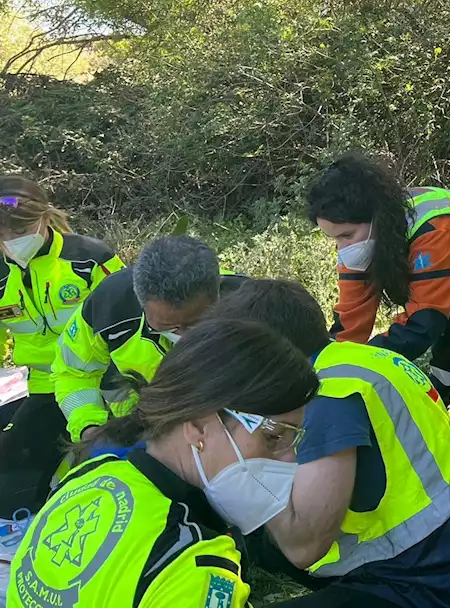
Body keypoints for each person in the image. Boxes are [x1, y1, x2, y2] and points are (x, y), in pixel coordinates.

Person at [207, 278, 450, 608]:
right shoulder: (362, 360)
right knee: (262, 541)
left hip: (436, 586)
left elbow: (303, 548)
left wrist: (249, 466)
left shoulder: (327, 396)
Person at [5, 318, 319, 608]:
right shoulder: (196, 565)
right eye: (274, 437)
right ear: (197, 425)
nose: (290, 458)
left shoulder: (89, 477)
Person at [306, 154, 450, 470]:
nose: (342, 248)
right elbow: (349, 323)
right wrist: (318, 372)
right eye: (333, 238)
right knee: (442, 364)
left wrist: (358, 366)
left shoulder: (437, 224)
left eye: (346, 236)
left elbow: (422, 325)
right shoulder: (365, 237)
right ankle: (436, 431)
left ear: (376, 219)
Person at [0, 176, 125, 514]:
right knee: (11, 481)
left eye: (21, 230)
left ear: (44, 217)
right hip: (46, 387)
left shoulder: (90, 258)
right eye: (4, 234)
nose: (12, 241)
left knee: (123, 456)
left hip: (111, 379)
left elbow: (130, 316)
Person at [52, 235, 247, 444]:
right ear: (140, 299)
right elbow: (73, 374)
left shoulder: (251, 306)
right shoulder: (109, 306)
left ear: (216, 291)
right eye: (167, 326)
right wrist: (90, 429)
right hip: (136, 434)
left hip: (227, 440)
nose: (181, 335)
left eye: (195, 323)